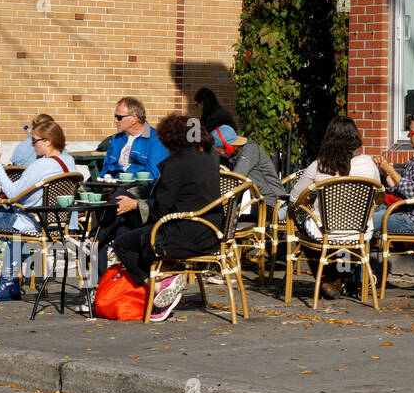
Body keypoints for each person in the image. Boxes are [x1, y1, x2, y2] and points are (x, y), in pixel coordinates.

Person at [110, 113, 221, 322]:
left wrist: (138, 207)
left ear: (168, 138)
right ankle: (164, 278)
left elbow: (160, 211)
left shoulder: (174, 164)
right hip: (213, 235)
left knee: (123, 242)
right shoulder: (208, 161)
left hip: (182, 237)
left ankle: (159, 286)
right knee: (140, 234)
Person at [287, 116, 381, 300]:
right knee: (346, 243)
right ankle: (336, 279)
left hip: (324, 230)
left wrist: (313, 200)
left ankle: (324, 281)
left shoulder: (319, 165)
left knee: (302, 229)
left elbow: (294, 197)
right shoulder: (369, 164)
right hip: (358, 230)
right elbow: (377, 196)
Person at [0, 122, 80, 278]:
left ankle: (8, 278)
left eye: (34, 141)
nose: (32, 145)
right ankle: (8, 282)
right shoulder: (68, 160)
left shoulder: (41, 165)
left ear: (48, 141)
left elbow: (13, 194)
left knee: (8, 216)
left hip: (30, 222)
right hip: (56, 223)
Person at [211, 125, 286, 205]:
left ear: (229, 147)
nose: (218, 154)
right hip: (256, 203)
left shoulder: (250, 150)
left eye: (218, 151)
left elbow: (236, 177)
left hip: (273, 203)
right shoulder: (234, 156)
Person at [100, 97, 169, 180]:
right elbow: (106, 168)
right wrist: (105, 183)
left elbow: (154, 174)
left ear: (134, 119)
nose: (115, 121)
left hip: (139, 187)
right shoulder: (117, 139)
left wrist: (123, 182)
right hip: (113, 184)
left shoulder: (156, 139)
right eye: (115, 116)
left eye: (119, 117)